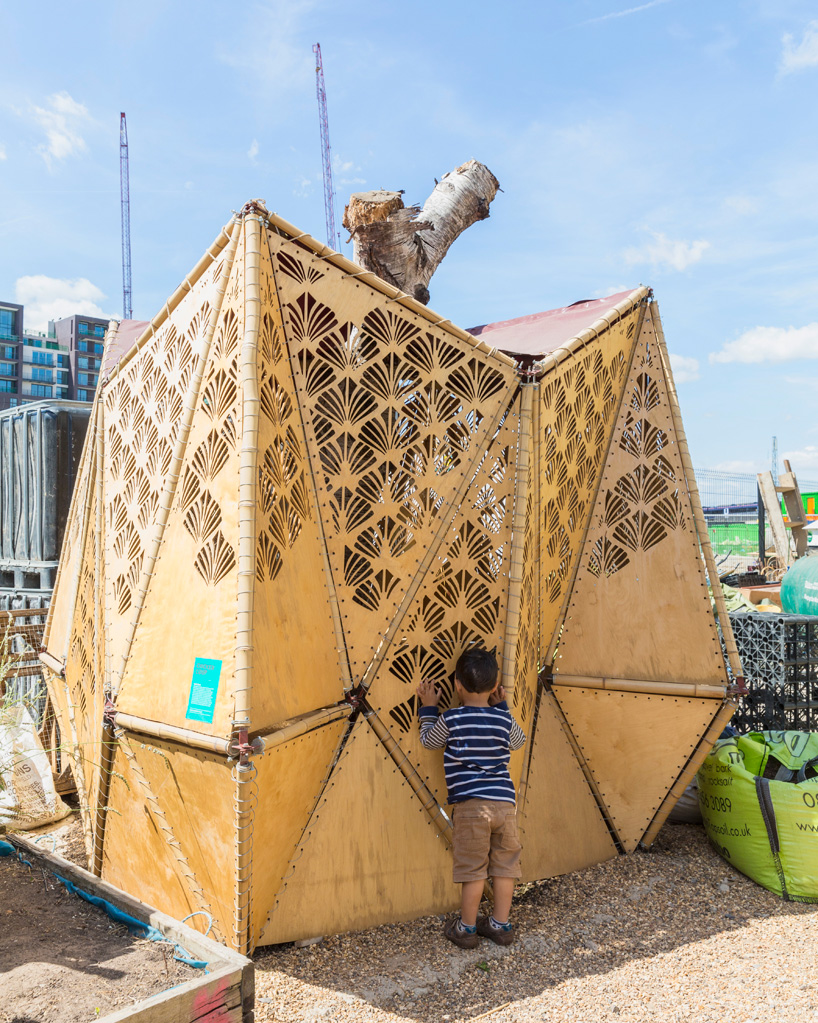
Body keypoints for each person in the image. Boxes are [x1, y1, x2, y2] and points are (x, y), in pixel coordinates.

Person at [416, 648, 526, 949]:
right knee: (505, 866)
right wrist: (501, 707)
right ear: (494, 688)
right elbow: (518, 741)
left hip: (472, 807)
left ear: (456, 685)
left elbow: (428, 741)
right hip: (505, 805)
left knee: (473, 869)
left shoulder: (452, 719)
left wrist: (428, 708)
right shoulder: (502, 720)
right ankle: (500, 926)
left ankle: (466, 928)